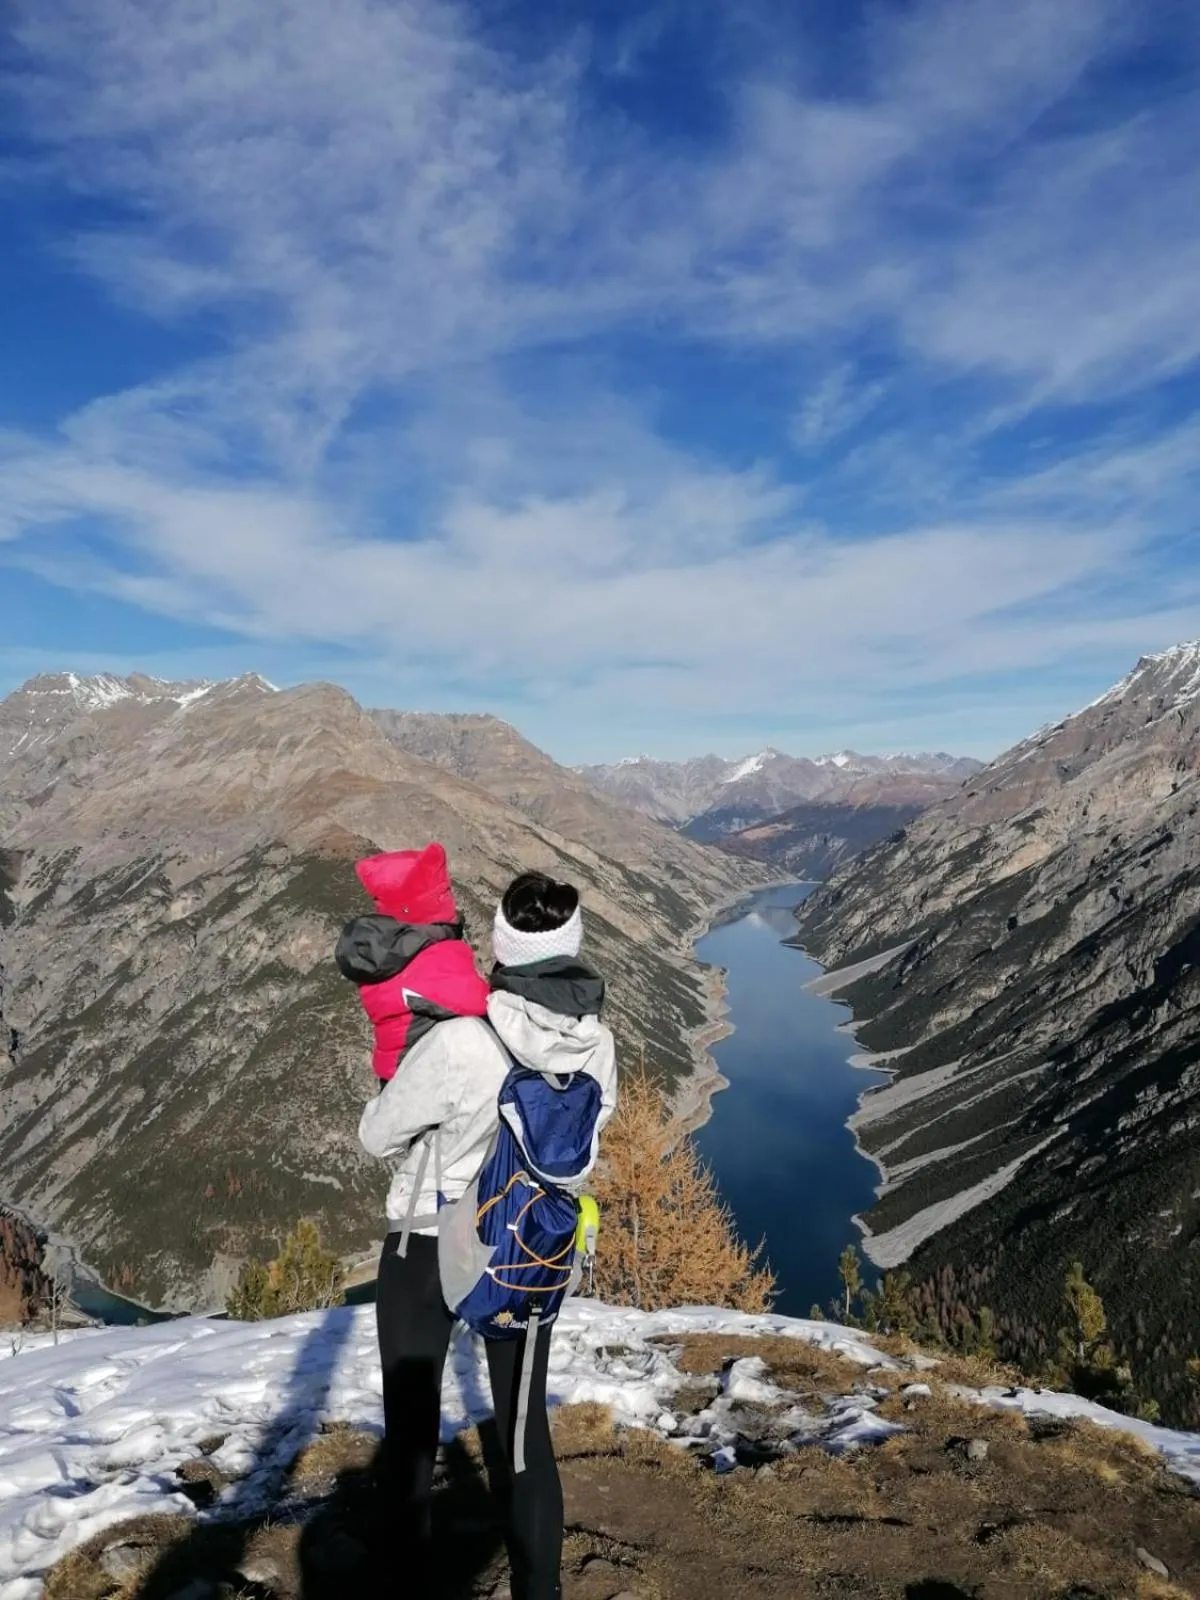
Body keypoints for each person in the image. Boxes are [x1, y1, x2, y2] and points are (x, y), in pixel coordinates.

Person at [356, 869, 617, 1600]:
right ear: (571, 945)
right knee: (525, 1437)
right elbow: (584, 1147)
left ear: (499, 945)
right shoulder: (598, 1048)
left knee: (411, 1435)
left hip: (429, 1242)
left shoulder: (461, 1040)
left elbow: (376, 1137)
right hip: (529, 1247)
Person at [334, 843, 490, 1081]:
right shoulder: (430, 961)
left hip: (397, 1073)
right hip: (419, 1077)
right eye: (442, 894)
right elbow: (481, 1002)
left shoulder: (393, 957)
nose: (451, 902)